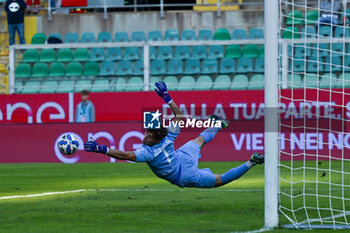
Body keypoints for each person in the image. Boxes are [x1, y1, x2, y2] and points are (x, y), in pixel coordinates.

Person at [84, 81, 264, 188]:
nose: (145, 135)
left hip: (183, 175)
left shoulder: (148, 153)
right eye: (147, 132)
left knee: (219, 181)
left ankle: (251, 162)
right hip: (181, 157)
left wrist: (102, 149)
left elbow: (124, 155)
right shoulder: (168, 136)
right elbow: (179, 117)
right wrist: (166, 97)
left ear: (155, 138)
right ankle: (216, 124)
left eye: (148, 135)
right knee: (199, 140)